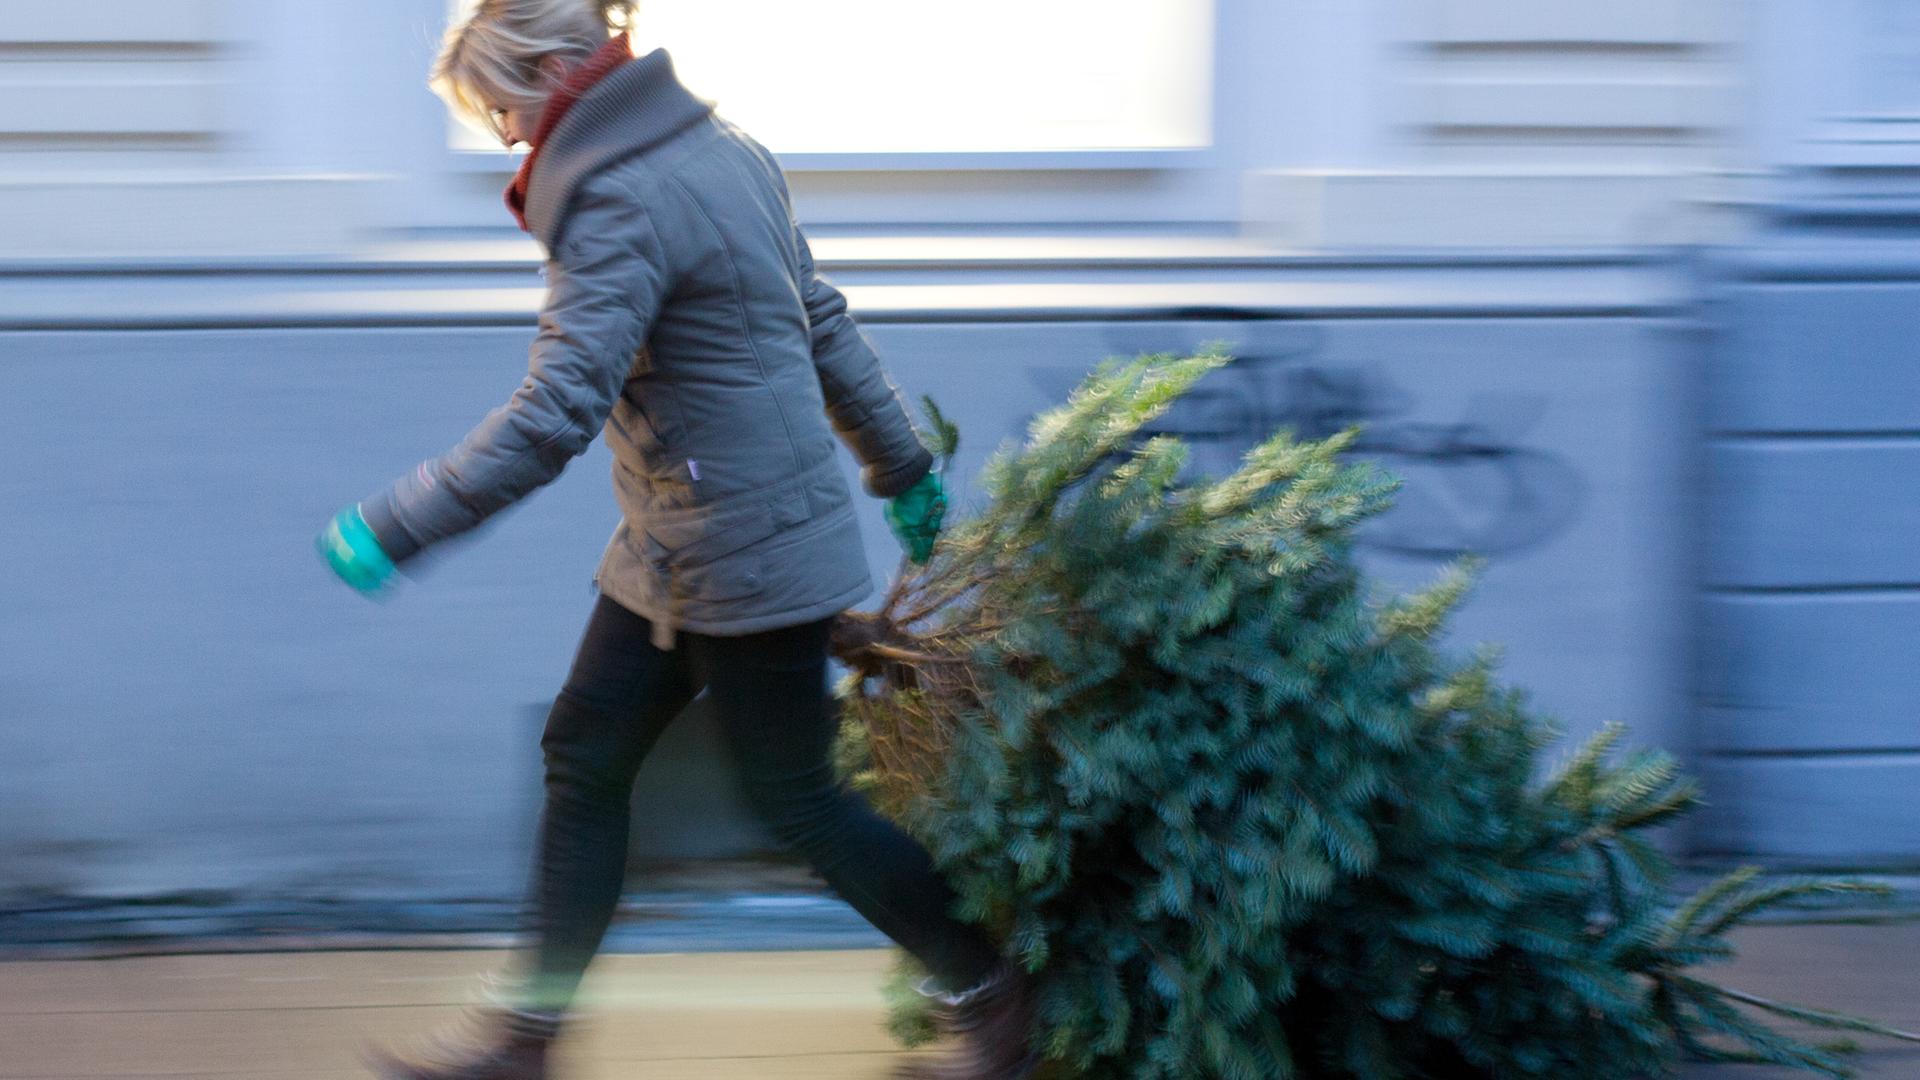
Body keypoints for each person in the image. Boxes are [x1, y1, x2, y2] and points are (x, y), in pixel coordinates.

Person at [315, 2, 1037, 1077]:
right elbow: (821, 318)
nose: (508, 138)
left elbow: (559, 408)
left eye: (504, 108)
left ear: (559, 71)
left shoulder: (613, 198)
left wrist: (404, 517)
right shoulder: (722, 144)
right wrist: (902, 469)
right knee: (586, 755)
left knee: (798, 801)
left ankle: (1000, 995)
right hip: (678, 542)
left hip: (740, 550)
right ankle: (525, 1042)